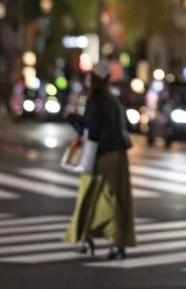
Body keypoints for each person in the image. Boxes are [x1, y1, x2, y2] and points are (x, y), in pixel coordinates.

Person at [64, 61, 136, 260]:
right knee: (116, 199)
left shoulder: (95, 101)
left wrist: (72, 118)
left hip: (101, 154)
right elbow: (128, 127)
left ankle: (88, 239)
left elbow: (91, 131)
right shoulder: (115, 101)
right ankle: (116, 242)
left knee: (90, 197)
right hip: (119, 154)